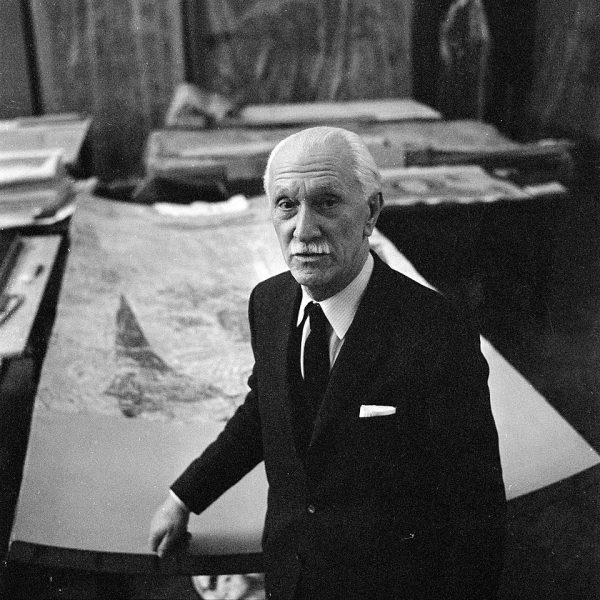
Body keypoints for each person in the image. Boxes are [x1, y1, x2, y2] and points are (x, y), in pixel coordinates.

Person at [149, 126, 506, 600]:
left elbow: (477, 512)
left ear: (371, 212)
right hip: (290, 580)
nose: (304, 229)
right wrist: (184, 497)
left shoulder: (436, 330)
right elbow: (264, 412)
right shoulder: (269, 303)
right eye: (286, 205)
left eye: (327, 202)